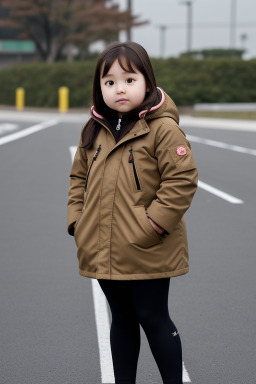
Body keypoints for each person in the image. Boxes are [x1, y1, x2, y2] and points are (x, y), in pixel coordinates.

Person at [67, 41, 198, 384]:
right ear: (99, 88)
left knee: (153, 318)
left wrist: (152, 225)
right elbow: (77, 177)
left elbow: (182, 179)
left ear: (147, 81)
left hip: (148, 246)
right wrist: (76, 221)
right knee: (121, 320)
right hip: (102, 244)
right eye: (109, 82)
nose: (119, 88)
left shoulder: (162, 129)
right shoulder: (95, 129)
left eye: (129, 79)